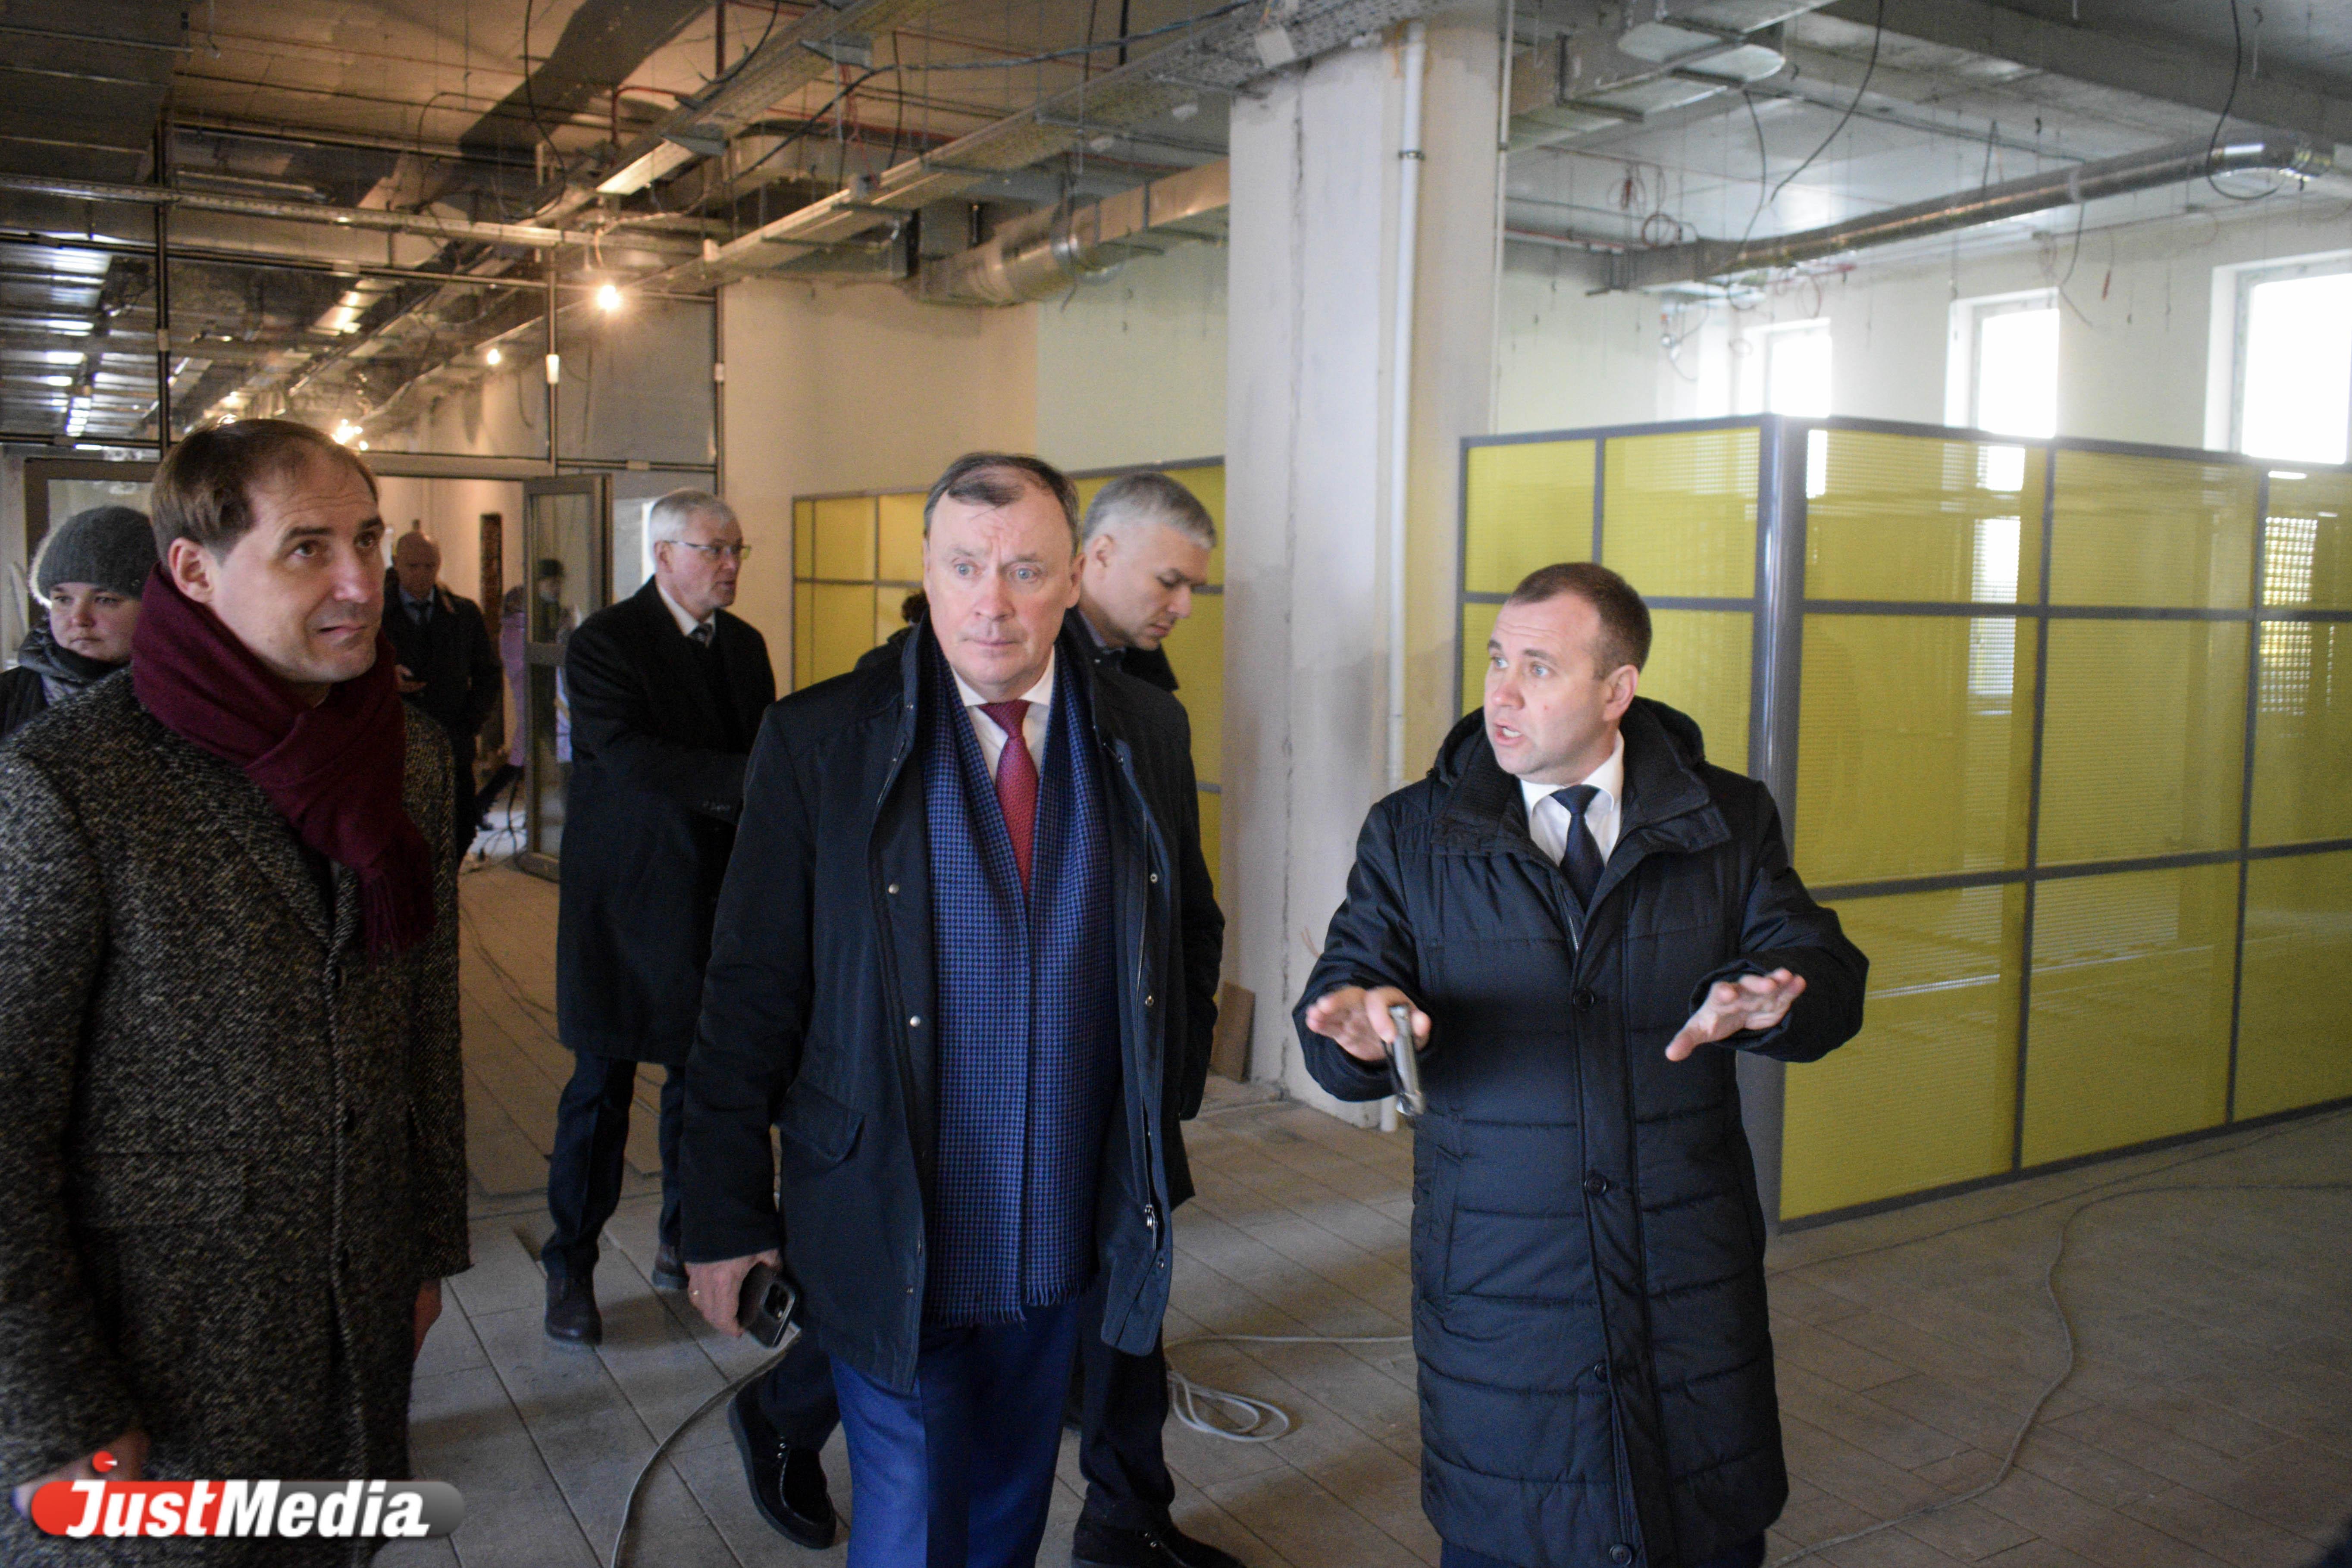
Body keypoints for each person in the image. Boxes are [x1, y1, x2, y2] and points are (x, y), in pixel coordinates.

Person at [681, 452, 1220, 1568]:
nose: (992, 602)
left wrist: (1154, 1109)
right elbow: (748, 987)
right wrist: (724, 1210)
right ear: (926, 570)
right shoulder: (823, 742)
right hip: (890, 1208)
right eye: (965, 567)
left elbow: (1188, 932)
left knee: (1010, 1504)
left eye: (1024, 570)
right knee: (917, 1513)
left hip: (1062, 1217)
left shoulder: (1145, 733)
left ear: (1073, 576)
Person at [1296, 562, 1867, 1568]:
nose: (1501, 693)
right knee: (1516, 1524)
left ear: (1616, 690)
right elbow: (1352, 983)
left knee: (1696, 1520)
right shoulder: (1414, 832)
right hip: (1502, 1264)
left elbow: (1819, 966)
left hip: (1684, 1253)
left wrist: (1782, 994)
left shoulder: (1725, 818)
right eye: (1496, 661)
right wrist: (1357, 1030)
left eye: (1538, 667)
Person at [0, 418, 468, 1563]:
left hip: (354, 1309)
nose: (360, 581)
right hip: (160, 1343)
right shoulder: (68, 783)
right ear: (194, 571)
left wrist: (424, 1249)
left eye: (368, 539)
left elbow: (423, 1016)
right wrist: (52, 1405)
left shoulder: (407, 754)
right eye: (309, 547)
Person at [544, 490, 775, 1355]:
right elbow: (631, 756)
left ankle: (684, 1236)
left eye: (738, 549)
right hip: (625, 898)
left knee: (697, 1081)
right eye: (715, 549)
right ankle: (570, 1265)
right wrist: (759, 785)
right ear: (664, 553)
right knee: (599, 1091)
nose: (731, 565)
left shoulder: (744, 646)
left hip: (713, 896)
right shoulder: (605, 642)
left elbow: (764, 743)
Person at [384, 530, 501, 861]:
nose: (422, 574)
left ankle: (444, 887)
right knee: (402, 836)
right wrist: (384, 678)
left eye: (429, 566)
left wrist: (470, 723)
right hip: (396, 744)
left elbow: (488, 673)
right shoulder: (373, 614)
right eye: (413, 566)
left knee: (459, 828)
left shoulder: (463, 614)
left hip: (452, 739)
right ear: (396, 564)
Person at [0, 505, 157, 739]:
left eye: (105, 600)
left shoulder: (189, 699)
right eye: (63, 599)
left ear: (154, 607)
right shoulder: (7, 697)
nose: (79, 619)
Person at [1067, 471, 1214, 697]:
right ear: (1103, 555)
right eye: (1168, 582)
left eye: (1193, 589)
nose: (1185, 610)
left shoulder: (1140, 653)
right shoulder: (1029, 659)